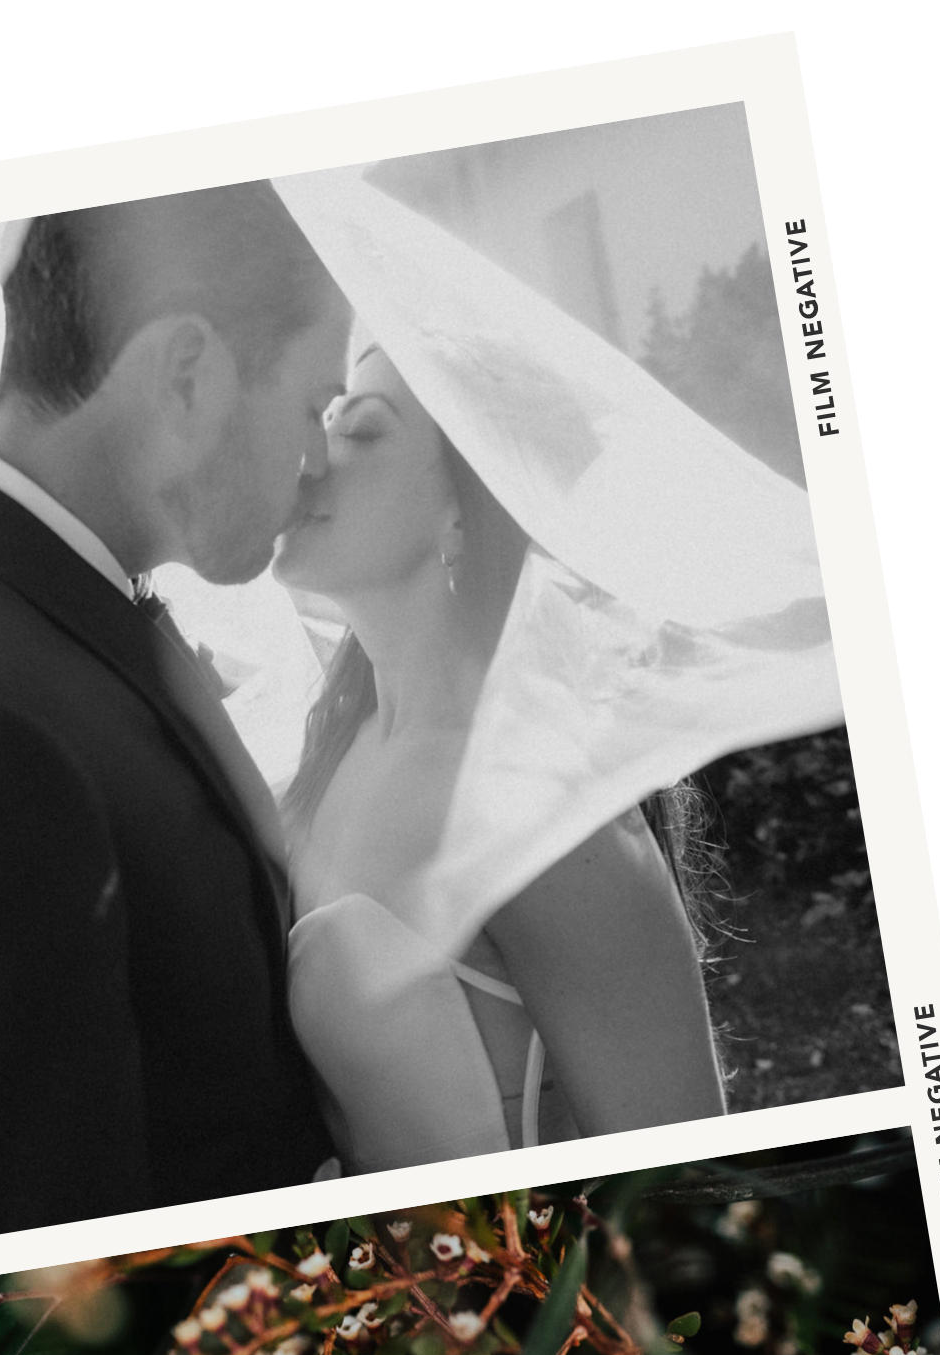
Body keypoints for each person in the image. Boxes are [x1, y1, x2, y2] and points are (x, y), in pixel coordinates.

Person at [0, 184, 350, 1243]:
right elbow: (36, 1322)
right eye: (312, 405)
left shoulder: (50, 615)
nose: (319, 463)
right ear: (188, 375)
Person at [274, 340, 726, 1168]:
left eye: (363, 432)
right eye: (326, 420)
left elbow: (689, 1180)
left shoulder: (540, 802)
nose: (311, 456)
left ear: (464, 504)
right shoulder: (330, 754)